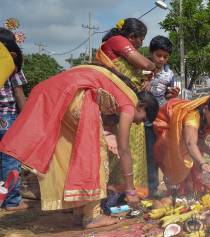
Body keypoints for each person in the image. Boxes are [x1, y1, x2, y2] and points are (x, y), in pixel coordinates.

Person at [0, 65, 159, 228]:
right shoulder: (130, 103)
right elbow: (124, 148)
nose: (137, 122)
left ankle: (79, 210)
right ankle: (92, 216)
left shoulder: (120, 92)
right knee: (95, 153)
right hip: (76, 95)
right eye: (141, 119)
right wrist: (131, 190)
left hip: (57, 92)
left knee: (72, 150)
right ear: (142, 107)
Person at [96, 18, 157, 198]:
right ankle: (118, 192)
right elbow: (146, 65)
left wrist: (146, 80)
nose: (142, 43)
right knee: (120, 149)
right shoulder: (117, 41)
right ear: (131, 36)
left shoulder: (121, 44)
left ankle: (130, 190)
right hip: (121, 104)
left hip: (131, 104)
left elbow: (142, 72)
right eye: (141, 38)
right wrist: (153, 66)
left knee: (132, 150)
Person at [153, 95, 210, 195]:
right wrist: (203, 163)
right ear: (206, 109)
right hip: (169, 136)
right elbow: (190, 142)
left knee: (195, 168)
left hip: (187, 141)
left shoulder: (206, 118)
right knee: (184, 167)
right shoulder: (193, 116)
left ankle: (189, 195)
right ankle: (177, 196)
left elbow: (198, 140)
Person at [145, 35, 178, 197]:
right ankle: (148, 189)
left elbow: (168, 96)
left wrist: (173, 95)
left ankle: (160, 187)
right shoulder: (141, 68)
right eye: (158, 55)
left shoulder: (169, 75)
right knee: (147, 156)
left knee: (161, 154)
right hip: (142, 120)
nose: (161, 59)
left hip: (160, 120)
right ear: (151, 53)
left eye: (165, 57)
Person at [0, 29, 28, 210]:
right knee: (10, 159)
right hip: (6, 116)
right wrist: (26, 117)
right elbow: (18, 93)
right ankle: (12, 201)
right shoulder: (11, 63)